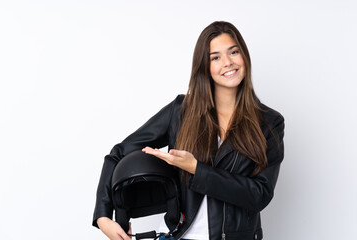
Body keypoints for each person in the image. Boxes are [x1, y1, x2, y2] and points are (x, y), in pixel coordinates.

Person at [93, 21, 285, 240]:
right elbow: (119, 152)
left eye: (234, 52)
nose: (228, 62)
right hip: (180, 235)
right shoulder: (181, 111)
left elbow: (259, 195)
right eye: (215, 57)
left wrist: (196, 168)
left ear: (244, 56)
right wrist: (102, 217)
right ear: (204, 65)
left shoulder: (269, 122)